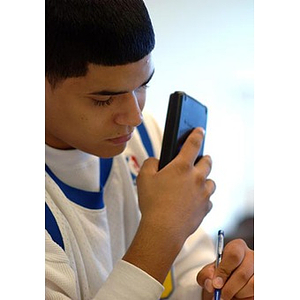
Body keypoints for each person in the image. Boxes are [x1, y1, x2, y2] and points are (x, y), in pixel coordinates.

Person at [45, 0, 254, 299]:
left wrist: (225, 285)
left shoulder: (148, 138)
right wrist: (162, 231)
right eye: (104, 99)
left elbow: (189, 282)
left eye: (142, 86)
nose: (135, 117)